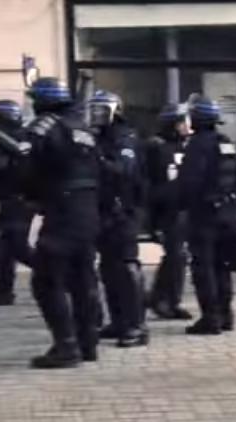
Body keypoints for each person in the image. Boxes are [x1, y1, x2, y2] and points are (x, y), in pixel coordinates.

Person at [23, 77, 102, 368]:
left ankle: (66, 346)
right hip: (88, 210)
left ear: (41, 101)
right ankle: (88, 343)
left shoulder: (45, 126)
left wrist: (27, 193)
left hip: (62, 211)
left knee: (46, 280)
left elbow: (24, 161)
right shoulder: (83, 129)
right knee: (82, 279)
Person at [178, 97, 236, 335]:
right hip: (227, 214)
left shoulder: (197, 145)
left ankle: (211, 318)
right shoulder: (226, 143)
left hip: (204, 216)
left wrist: (179, 204)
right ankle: (226, 315)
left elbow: (189, 183)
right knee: (222, 267)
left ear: (196, 119)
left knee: (203, 267)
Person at [89, 91, 149, 348]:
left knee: (126, 266)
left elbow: (123, 171)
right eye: (95, 110)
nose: (97, 115)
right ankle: (118, 321)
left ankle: (137, 325)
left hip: (124, 210)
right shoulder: (98, 137)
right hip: (103, 210)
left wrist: (96, 159)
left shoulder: (126, 138)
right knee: (108, 268)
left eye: (103, 110)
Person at [0, 100, 34, 307]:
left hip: (19, 202)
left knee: (17, 247)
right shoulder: (13, 137)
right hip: (13, 201)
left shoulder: (13, 139)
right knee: (4, 248)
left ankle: (57, 273)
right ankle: (5, 292)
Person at [146, 103, 193, 321]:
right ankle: (164, 300)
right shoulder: (156, 147)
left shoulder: (186, 146)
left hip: (184, 209)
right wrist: (152, 219)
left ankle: (163, 298)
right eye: (183, 122)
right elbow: (149, 182)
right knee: (176, 255)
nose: (187, 126)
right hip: (166, 211)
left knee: (178, 257)